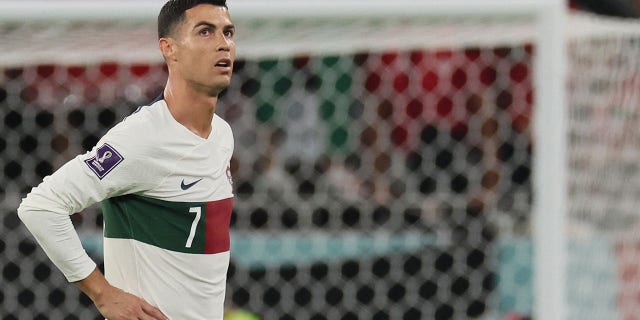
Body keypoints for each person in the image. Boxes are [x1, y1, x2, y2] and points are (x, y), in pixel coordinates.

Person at [17, 0, 237, 319]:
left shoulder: (222, 134)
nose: (223, 44)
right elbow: (40, 206)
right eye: (205, 31)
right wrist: (103, 294)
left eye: (228, 33)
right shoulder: (142, 138)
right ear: (169, 49)